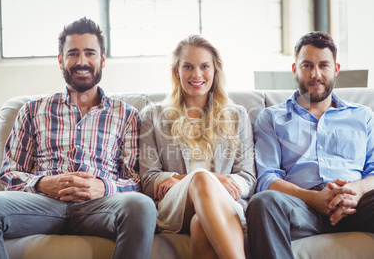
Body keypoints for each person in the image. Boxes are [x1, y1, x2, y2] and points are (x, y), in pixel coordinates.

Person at [0, 17, 157, 259]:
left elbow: (135, 179)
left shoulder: (127, 115)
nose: (82, 62)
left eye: (90, 53)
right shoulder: (32, 110)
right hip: (42, 204)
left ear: (102, 59)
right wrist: (43, 184)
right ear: (61, 60)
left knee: (142, 206)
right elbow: (9, 172)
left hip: (101, 206)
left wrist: (102, 186)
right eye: (73, 54)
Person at [246, 31, 374, 259]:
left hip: (355, 205)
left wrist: (356, 191)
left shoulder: (363, 115)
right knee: (262, 202)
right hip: (301, 208)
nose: (316, 74)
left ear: (336, 69)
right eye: (307, 65)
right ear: (295, 69)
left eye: (324, 65)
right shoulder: (272, 118)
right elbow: (267, 178)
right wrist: (313, 198)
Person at [139, 35, 256, 258]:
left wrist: (215, 182)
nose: (197, 75)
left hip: (225, 203)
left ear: (214, 71)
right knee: (201, 178)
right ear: (177, 71)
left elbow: (248, 177)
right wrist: (204, 178)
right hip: (174, 207)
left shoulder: (238, 116)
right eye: (188, 67)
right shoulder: (152, 117)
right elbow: (148, 179)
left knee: (200, 224)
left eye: (204, 66)